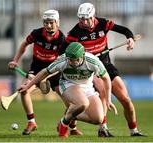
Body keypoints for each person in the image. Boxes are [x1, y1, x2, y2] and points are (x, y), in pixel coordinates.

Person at [60, 2, 146, 137]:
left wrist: (130, 38)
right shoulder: (74, 33)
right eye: (81, 19)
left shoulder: (103, 23)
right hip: (90, 68)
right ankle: (102, 129)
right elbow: (63, 52)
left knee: (125, 99)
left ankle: (134, 131)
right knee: (103, 92)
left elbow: (124, 30)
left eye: (87, 18)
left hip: (106, 65)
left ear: (93, 16)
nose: (84, 22)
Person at [18, 42, 117, 138]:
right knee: (83, 103)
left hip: (88, 88)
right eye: (70, 59)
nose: (71, 62)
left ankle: (70, 114)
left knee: (98, 119)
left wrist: (108, 99)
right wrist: (27, 86)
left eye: (75, 59)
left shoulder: (93, 61)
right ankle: (64, 124)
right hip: (68, 84)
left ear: (82, 56)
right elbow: (44, 72)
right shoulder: (63, 60)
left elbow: (106, 78)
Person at [8, 9, 81, 136]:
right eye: (46, 22)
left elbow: (61, 63)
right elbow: (24, 44)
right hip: (36, 68)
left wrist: (44, 77)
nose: (48, 25)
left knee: (71, 102)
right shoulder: (37, 34)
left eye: (51, 22)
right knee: (24, 91)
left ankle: (72, 127)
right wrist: (15, 60)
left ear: (57, 22)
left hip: (54, 70)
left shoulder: (62, 40)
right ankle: (32, 122)